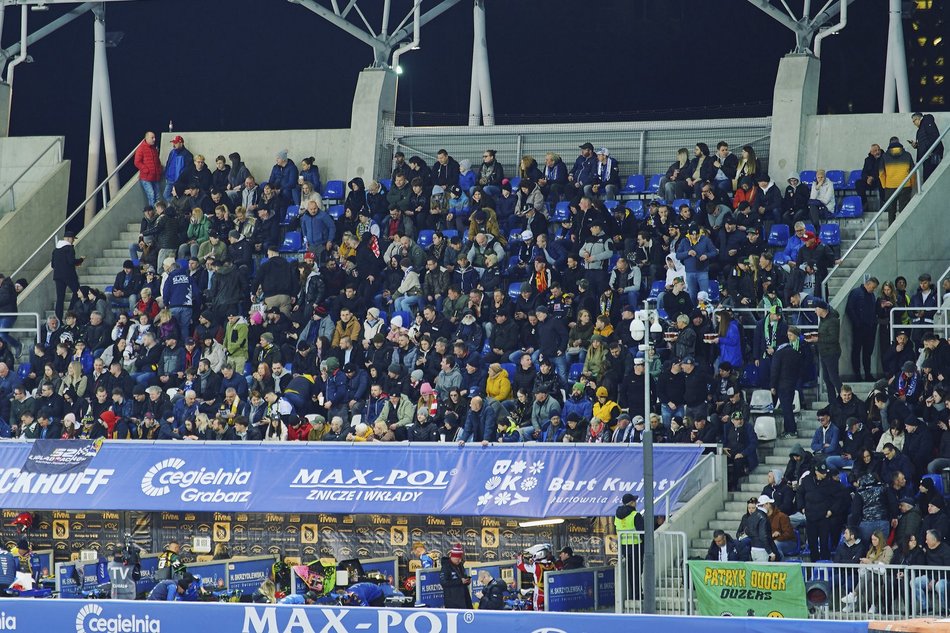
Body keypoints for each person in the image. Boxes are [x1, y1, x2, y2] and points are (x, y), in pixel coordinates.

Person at [846, 277, 879, 382]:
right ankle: (857, 374)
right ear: (868, 284)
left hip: (870, 327)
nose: (873, 290)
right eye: (873, 287)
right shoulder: (856, 293)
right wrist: (857, 323)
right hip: (859, 328)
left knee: (867, 352)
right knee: (856, 351)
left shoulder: (871, 295)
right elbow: (850, 308)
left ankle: (867, 373)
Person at [878, 138, 915, 225]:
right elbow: (913, 172)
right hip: (905, 185)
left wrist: (884, 185)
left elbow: (881, 173)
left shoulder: (884, 156)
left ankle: (891, 230)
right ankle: (905, 229)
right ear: (899, 143)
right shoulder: (907, 155)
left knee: (891, 212)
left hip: (890, 186)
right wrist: (912, 184)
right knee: (904, 211)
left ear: (889, 144)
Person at [614, 493, 643, 599]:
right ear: (631, 503)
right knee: (637, 571)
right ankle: (637, 594)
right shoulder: (635, 515)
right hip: (636, 546)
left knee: (630, 571)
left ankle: (634, 594)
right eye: (634, 501)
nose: (636, 503)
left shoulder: (617, 515)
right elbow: (642, 531)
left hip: (624, 547)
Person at [51, 230, 84, 321]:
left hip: (58, 276)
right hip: (69, 275)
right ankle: (70, 312)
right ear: (69, 239)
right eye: (73, 239)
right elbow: (71, 261)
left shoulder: (55, 250)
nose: (73, 241)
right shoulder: (69, 248)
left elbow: (52, 265)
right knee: (77, 292)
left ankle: (58, 320)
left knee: (60, 298)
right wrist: (80, 260)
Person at [910, 111, 944, 182]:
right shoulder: (920, 130)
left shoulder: (927, 121)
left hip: (931, 156)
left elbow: (934, 136)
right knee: (927, 179)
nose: (913, 123)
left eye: (914, 121)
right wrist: (916, 145)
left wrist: (929, 152)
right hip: (926, 157)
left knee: (931, 178)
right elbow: (925, 142)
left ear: (918, 119)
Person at [439, 544, 473, 609]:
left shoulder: (460, 565)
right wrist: (460, 581)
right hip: (453, 601)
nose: (459, 561)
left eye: (460, 559)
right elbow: (443, 582)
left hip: (464, 598)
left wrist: (467, 581)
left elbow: (463, 576)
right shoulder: (446, 567)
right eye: (457, 559)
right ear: (452, 557)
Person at [133, 131, 162, 206]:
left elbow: (157, 161)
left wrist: (159, 170)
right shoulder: (141, 148)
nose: (154, 139)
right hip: (146, 177)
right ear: (147, 138)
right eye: (152, 138)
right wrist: (146, 170)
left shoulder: (154, 149)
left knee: (157, 196)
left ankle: (158, 211)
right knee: (151, 195)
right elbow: (137, 162)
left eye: (154, 137)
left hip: (155, 176)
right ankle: (152, 211)